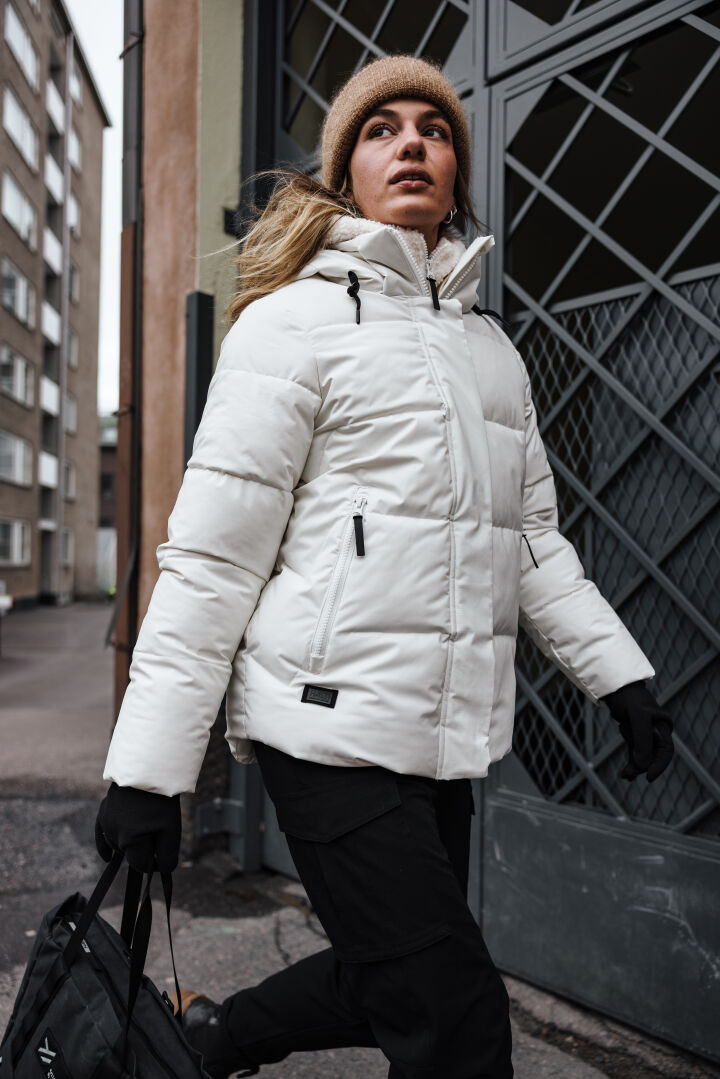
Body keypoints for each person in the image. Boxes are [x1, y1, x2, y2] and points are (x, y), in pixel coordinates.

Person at [95, 55, 674, 1079]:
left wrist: (618, 674)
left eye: (434, 130)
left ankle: (209, 1040)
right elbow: (213, 558)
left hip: (440, 737)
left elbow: (531, 541)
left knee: (393, 975)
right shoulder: (289, 327)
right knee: (458, 1018)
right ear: (345, 175)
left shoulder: (492, 352)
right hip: (324, 730)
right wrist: (147, 773)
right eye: (382, 129)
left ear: (455, 174)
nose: (412, 143)